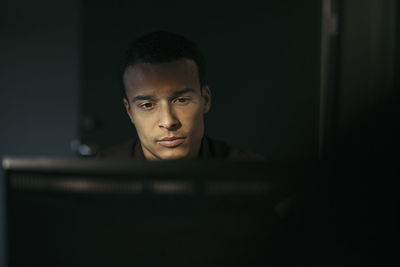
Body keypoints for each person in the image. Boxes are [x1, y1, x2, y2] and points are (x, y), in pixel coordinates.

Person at [97, 31, 263, 160]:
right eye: (147, 105)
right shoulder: (95, 181)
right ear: (130, 111)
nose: (168, 122)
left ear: (205, 99)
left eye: (182, 100)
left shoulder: (254, 177)